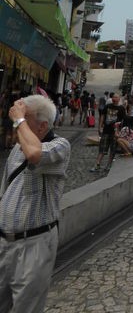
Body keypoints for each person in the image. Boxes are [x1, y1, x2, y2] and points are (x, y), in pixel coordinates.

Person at [0, 94, 71, 312]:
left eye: (24, 119)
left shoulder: (60, 146)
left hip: (35, 243)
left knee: (26, 307)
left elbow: (35, 154)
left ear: (41, 127)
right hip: (4, 242)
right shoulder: (16, 148)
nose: (17, 125)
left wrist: (19, 120)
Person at [90, 94, 126, 172]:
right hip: (106, 130)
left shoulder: (122, 108)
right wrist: (99, 127)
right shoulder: (107, 106)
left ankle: (109, 165)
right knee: (102, 148)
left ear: (119, 99)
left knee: (113, 149)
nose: (114, 98)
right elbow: (102, 116)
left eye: (116, 97)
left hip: (115, 132)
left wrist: (120, 131)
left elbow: (123, 120)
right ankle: (97, 164)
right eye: (113, 97)